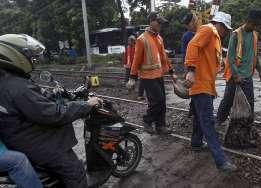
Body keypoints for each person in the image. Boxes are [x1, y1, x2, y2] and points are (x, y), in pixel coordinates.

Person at [0, 34, 102, 188]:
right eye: (30, 56)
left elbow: (34, 101)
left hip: (18, 137)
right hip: (37, 143)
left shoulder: (9, 80)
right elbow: (54, 114)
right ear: (14, 56)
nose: (34, 60)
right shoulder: (17, 87)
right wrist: (86, 105)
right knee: (75, 172)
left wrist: (52, 95)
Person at [184, 11, 237, 173]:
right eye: (226, 29)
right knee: (208, 122)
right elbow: (193, 46)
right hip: (201, 86)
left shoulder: (214, 37)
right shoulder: (208, 30)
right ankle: (221, 161)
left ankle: (196, 143)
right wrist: (191, 70)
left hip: (205, 86)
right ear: (220, 25)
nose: (227, 33)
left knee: (200, 118)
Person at [126, 12, 177, 134]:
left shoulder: (159, 38)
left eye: (161, 23)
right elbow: (136, 60)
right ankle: (147, 121)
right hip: (147, 77)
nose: (160, 25)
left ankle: (160, 126)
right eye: (158, 22)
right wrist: (132, 78)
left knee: (162, 101)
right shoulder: (142, 39)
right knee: (157, 100)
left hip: (159, 75)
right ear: (151, 22)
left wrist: (171, 71)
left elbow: (164, 56)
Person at [217, 10, 261, 125]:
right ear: (247, 21)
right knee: (228, 101)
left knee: (249, 103)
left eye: (257, 25)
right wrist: (236, 75)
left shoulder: (254, 35)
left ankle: (248, 125)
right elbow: (231, 58)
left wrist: (260, 71)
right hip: (235, 77)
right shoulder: (236, 34)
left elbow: (255, 55)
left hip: (247, 76)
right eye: (254, 24)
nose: (255, 27)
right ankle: (218, 120)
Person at [123, 35, 145, 100]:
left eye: (129, 41)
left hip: (134, 65)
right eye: (128, 41)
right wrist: (125, 63)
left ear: (133, 41)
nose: (128, 42)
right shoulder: (127, 47)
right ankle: (129, 90)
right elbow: (126, 55)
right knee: (127, 78)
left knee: (134, 78)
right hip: (128, 65)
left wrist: (137, 65)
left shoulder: (136, 47)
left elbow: (137, 57)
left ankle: (134, 89)